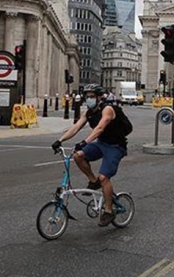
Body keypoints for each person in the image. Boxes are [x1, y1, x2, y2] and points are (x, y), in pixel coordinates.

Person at [51, 84, 127, 227]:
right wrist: (59, 140)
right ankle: (94, 181)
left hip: (115, 146)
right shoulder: (89, 113)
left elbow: (99, 128)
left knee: (104, 177)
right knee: (78, 156)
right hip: (102, 144)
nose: (89, 99)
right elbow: (75, 127)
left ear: (99, 97)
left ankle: (109, 211)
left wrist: (85, 142)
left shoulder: (108, 109)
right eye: (87, 96)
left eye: (92, 96)